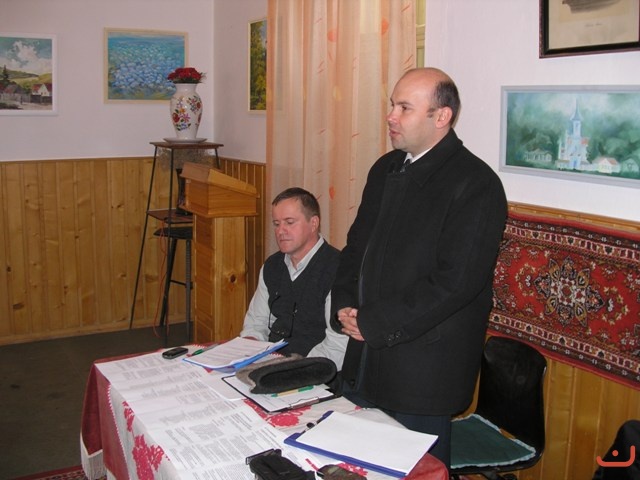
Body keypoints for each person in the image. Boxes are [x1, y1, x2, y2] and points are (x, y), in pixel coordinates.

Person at [330, 67, 508, 468]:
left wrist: (374, 322)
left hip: (422, 370)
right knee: (353, 467)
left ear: (441, 116)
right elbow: (356, 247)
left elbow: (456, 283)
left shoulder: (476, 184)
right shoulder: (385, 169)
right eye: (392, 105)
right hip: (364, 354)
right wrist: (343, 304)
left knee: (416, 472)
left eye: (404, 108)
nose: (391, 116)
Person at [241, 187, 347, 369]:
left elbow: (337, 346)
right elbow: (256, 322)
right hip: (270, 364)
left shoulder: (338, 270)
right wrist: (247, 350)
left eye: (289, 222)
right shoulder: (272, 266)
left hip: (314, 371)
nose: (280, 231)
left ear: (313, 223)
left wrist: (294, 372)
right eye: (276, 224)